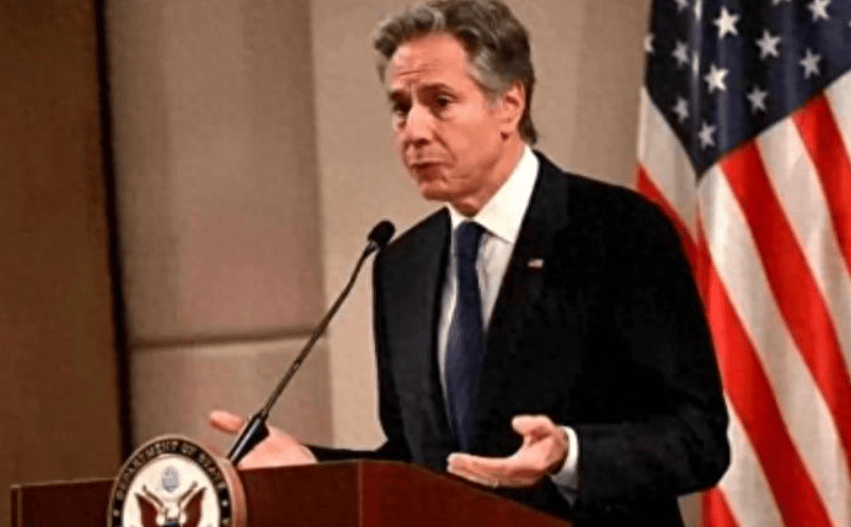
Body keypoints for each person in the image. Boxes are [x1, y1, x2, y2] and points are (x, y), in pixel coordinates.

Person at [211, 1, 730, 525]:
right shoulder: (401, 266)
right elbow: (419, 461)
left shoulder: (619, 230)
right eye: (401, 107)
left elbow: (699, 438)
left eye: (440, 102)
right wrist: (311, 466)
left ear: (509, 104)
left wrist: (569, 453)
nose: (413, 131)